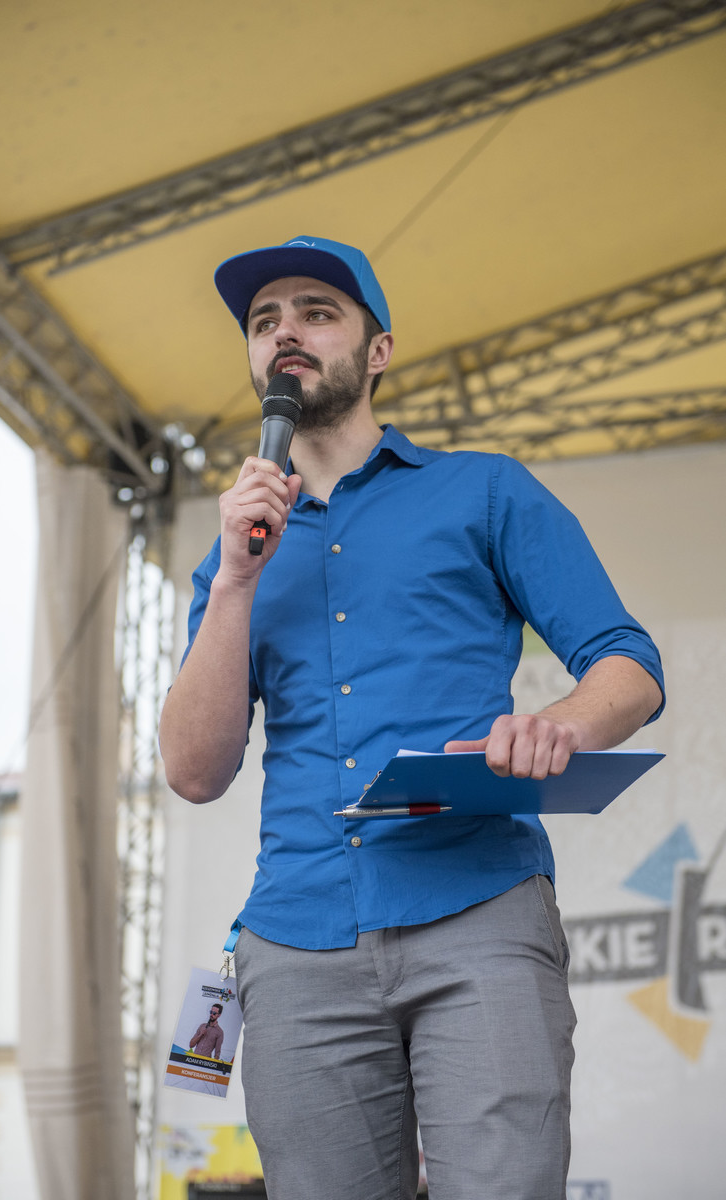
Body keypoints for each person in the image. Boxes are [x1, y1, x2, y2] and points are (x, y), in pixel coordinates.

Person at [160, 235, 664, 1200]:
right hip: (293, 941)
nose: (285, 333)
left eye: (317, 312)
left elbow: (626, 663)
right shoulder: (232, 556)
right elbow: (192, 771)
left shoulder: (483, 490)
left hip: (476, 912)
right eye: (264, 322)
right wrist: (234, 582)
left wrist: (562, 724)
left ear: (377, 350)